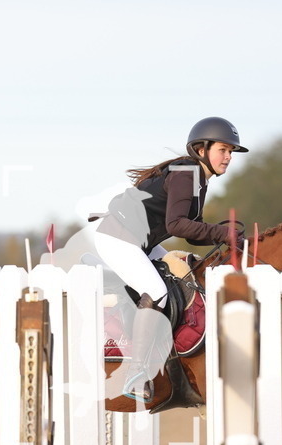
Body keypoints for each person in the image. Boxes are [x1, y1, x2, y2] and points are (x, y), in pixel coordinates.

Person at [92, 116, 249, 401]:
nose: (228, 157)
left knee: (182, 278)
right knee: (157, 292)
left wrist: (225, 237)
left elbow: (192, 233)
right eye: (223, 150)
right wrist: (221, 232)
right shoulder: (187, 173)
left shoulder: (198, 179)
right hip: (119, 238)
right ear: (201, 149)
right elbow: (177, 225)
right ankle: (135, 375)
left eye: (230, 152)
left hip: (141, 241)